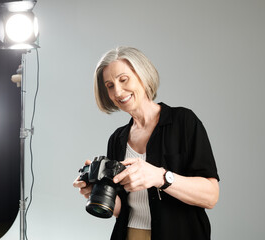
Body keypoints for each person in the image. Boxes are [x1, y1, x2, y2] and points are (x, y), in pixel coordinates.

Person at [73, 46, 219, 240]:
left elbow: (210, 196)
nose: (117, 91)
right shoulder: (117, 139)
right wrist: (96, 192)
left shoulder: (183, 122)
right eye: (109, 85)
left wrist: (161, 177)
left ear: (142, 75)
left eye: (123, 80)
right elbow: (122, 210)